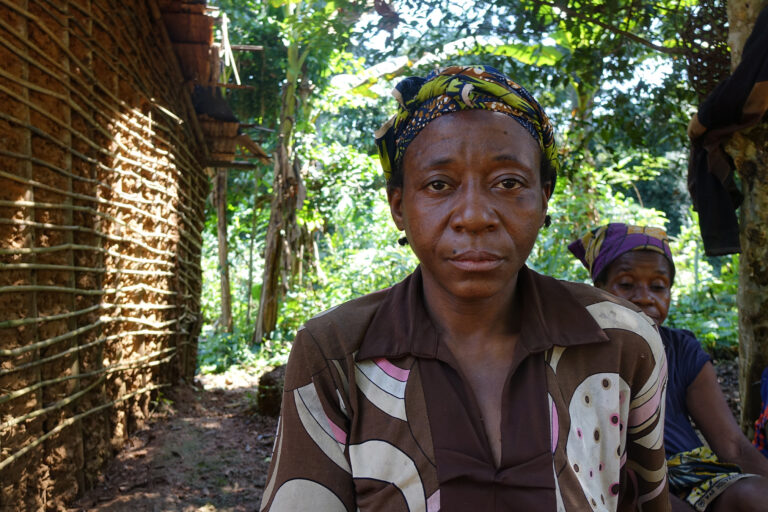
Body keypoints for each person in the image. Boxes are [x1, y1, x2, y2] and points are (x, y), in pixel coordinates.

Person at [259, 66, 670, 511]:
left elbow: (647, 498)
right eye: (439, 185)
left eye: (508, 183)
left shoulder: (623, 339)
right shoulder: (336, 353)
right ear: (400, 207)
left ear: (544, 197)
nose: (474, 216)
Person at [569, 223, 768, 512]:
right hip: (617, 483)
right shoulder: (577, 352)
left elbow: (733, 446)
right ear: (598, 289)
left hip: (693, 473)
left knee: (754, 496)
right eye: (626, 284)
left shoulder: (681, 350)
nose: (645, 297)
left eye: (658, 286)